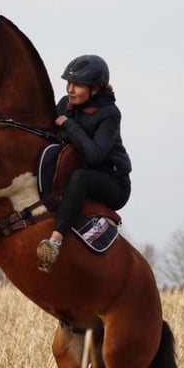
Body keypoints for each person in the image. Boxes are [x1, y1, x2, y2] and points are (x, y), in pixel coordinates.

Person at [36, 54, 132, 272]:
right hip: (80, 176)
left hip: (113, 183)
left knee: (80, 177)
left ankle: (55, 242)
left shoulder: (109, 114)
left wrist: (69, 126)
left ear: (95, 89)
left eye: (77, 85)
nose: (70, 89)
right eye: (68, 83)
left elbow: (95, 156)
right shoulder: (65, 104)